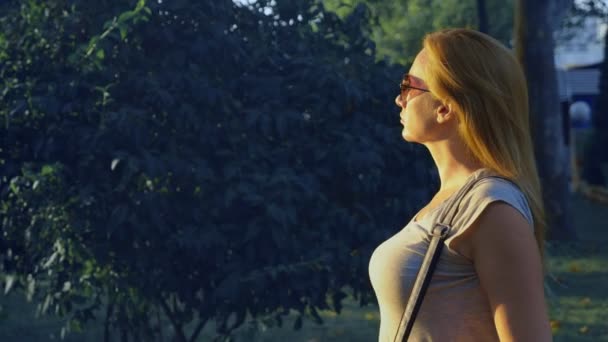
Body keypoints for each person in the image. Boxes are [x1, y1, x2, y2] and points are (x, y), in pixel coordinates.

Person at [368, 28, 552, 341]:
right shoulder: (456, 200)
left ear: (445, 107)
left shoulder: (493, 208)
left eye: (408, 85)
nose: (399, 99)